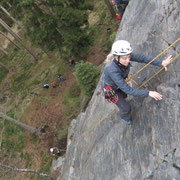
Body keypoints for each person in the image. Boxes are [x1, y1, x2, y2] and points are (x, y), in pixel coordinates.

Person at [101, 40, 173, 125]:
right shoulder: (111, 70)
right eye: (125, 58)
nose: (128, 60)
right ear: (116, 57)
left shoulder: (126, 56)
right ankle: (125, 118)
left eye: (129, 57)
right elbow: (129, 90)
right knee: (126, 107)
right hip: (110, 89)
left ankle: (122, 99)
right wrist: (148, 93)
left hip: (118, 81)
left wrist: (161, 62)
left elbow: (143, 58)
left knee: (124, 95)